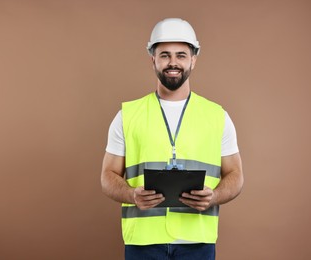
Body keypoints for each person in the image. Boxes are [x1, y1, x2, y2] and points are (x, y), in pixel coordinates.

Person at [101, 18, 244, 260]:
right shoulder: (127, 115)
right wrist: (131, 195)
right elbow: (107, 176)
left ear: (193, 60)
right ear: (153, 60)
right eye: (165, 55)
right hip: (143, 242)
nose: (173, 62)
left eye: (181, 55)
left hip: (197, 241)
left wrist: (215, 197)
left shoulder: (218, 116)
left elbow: (236, 175)